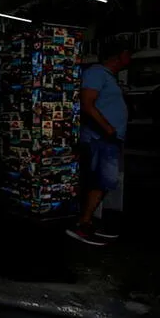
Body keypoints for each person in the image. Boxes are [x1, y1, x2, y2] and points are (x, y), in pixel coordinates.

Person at [66, 40, 130, 246]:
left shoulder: (107, 77)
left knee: (104, 181)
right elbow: (87, 104)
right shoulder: (96, 73)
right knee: (100, 180)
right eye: (127, 54)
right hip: (100, 137)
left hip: (108, 138)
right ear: (118, 55)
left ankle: (88, 222)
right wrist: (108, 128)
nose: (130, 58)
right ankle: (82, 224)